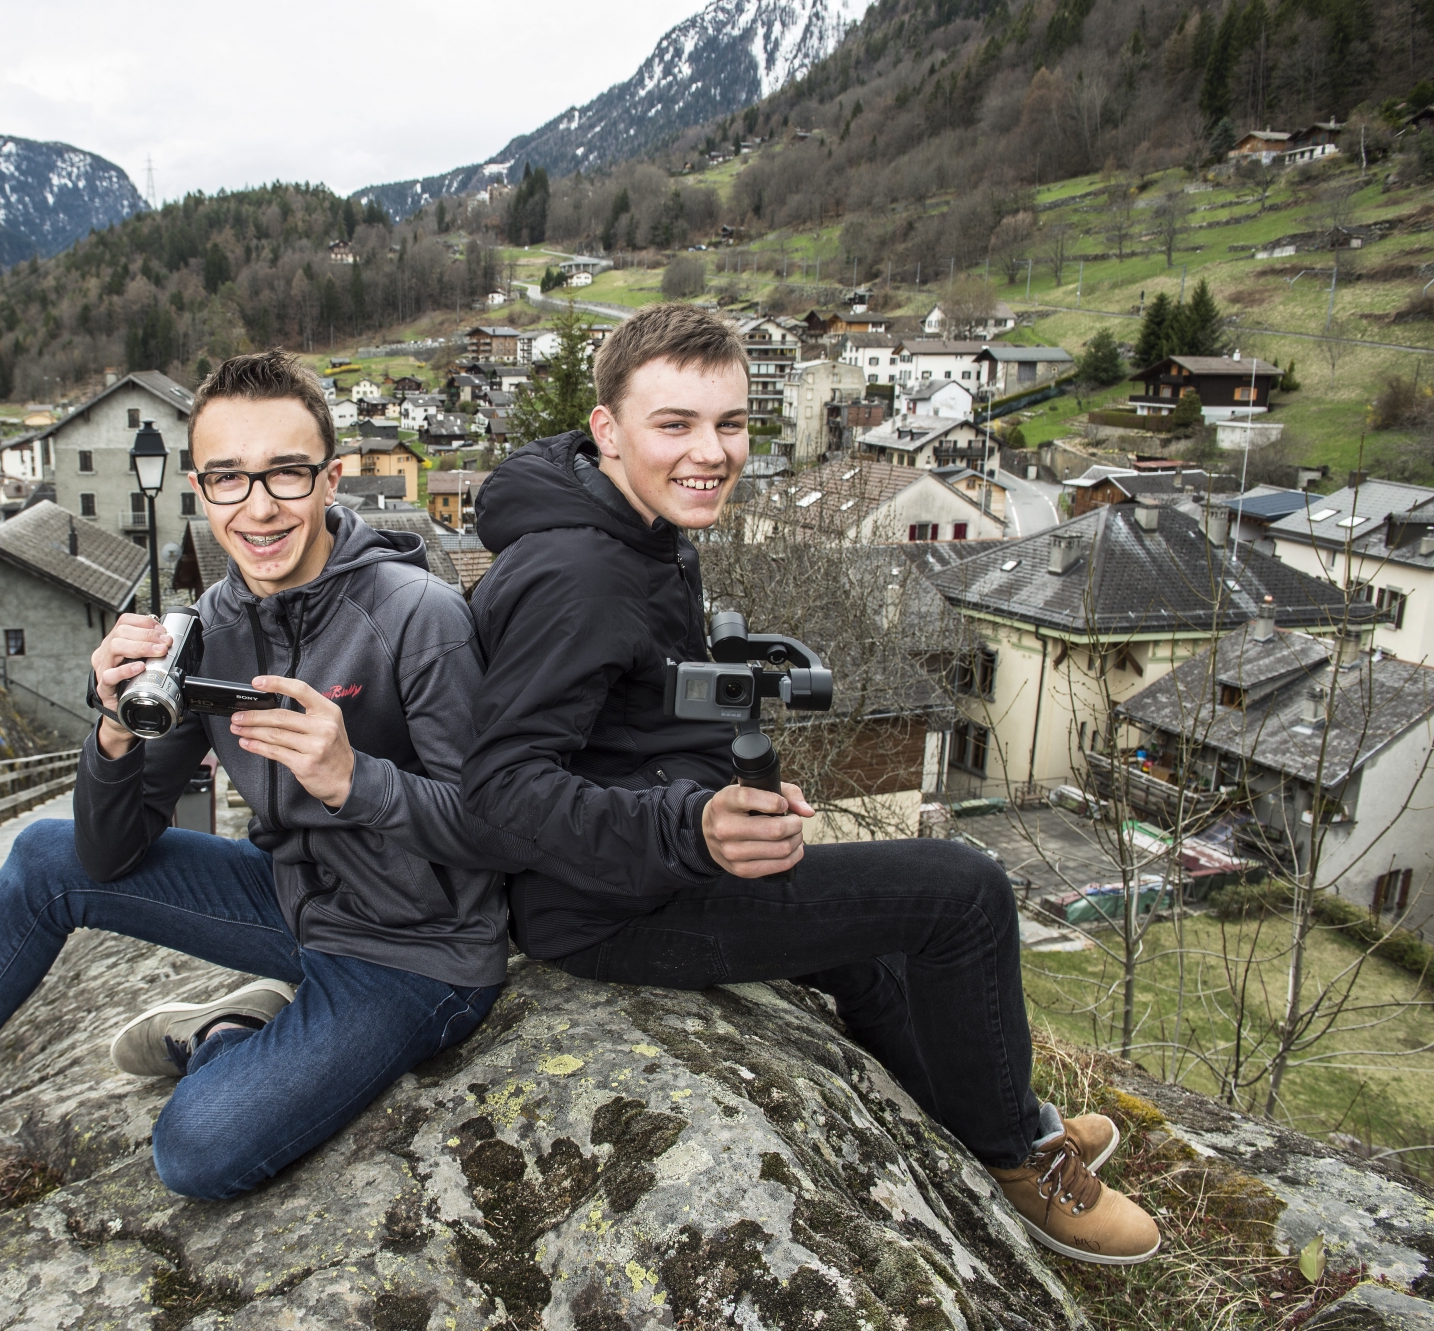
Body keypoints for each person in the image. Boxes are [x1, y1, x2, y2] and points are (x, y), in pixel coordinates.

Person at [0, 350, 516, 1220]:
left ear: (330, 478)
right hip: (292, 903)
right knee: (44, 855)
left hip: (417, 951)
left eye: (287, 473)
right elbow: (106, 853)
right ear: (200, 488)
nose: (260, 505)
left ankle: (229, 1032)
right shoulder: (208, 629)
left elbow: (496, 833)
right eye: (230, 478)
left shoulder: (416, 614)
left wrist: (357, 780)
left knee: (196, 1148)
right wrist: (115, 728)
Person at [460, 303, 1161, 1266]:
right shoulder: (582, 572)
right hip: (605, 909)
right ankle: (1017, 1158)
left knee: (868, 956)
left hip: (636, 872)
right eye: (676, 424)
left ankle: (979, 1115)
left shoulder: (633, 523)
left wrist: (728, 799)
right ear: (607, 430)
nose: (712, 452)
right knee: (964, 890)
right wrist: (691, 828)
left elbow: (624, 725)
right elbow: (500, 792)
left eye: (732, 422)